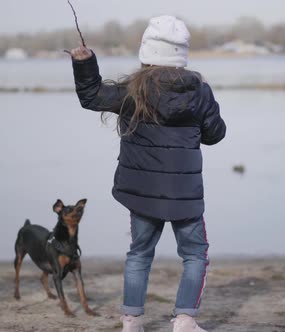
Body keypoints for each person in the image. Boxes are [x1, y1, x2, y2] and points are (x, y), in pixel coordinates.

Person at [69, 15, 226, 332]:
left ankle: (132, 321)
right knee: (195, 254)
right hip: (185, 193)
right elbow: (216, 134)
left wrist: (85, 64)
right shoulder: (199, 91)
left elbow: (91, 96)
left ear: (147, 52)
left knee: (140, 253)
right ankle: (184, 319)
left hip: (141, 192)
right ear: (181, 54)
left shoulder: (133, 91)